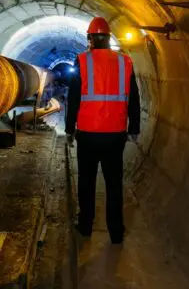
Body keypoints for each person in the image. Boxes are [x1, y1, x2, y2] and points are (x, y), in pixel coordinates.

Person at [65, 16, 141, 244]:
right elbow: (134, 99)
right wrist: (134, 128)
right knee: (114, 183)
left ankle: (86, 226)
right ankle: (116, 231)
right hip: (115, 134)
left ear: (90, 38)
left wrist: (69, 128)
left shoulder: (82, 61)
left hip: (88, 134)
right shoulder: (125, 62)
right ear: (108, 38)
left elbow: (74, 97)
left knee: (86, 182)